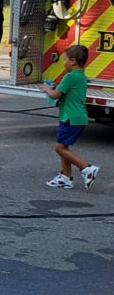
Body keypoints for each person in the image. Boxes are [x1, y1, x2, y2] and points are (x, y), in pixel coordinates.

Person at [43, 45, 100, 189]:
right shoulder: (80, 76)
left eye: (65, 60)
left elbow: (55, 95)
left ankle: (86, 168)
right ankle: (65, 178)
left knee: (59, 148)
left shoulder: (70, 76)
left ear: (73, 61)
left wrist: (47, 89)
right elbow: (66, 90)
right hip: (77, 118)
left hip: (71, 118)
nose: (63, 62)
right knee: (64, 146)